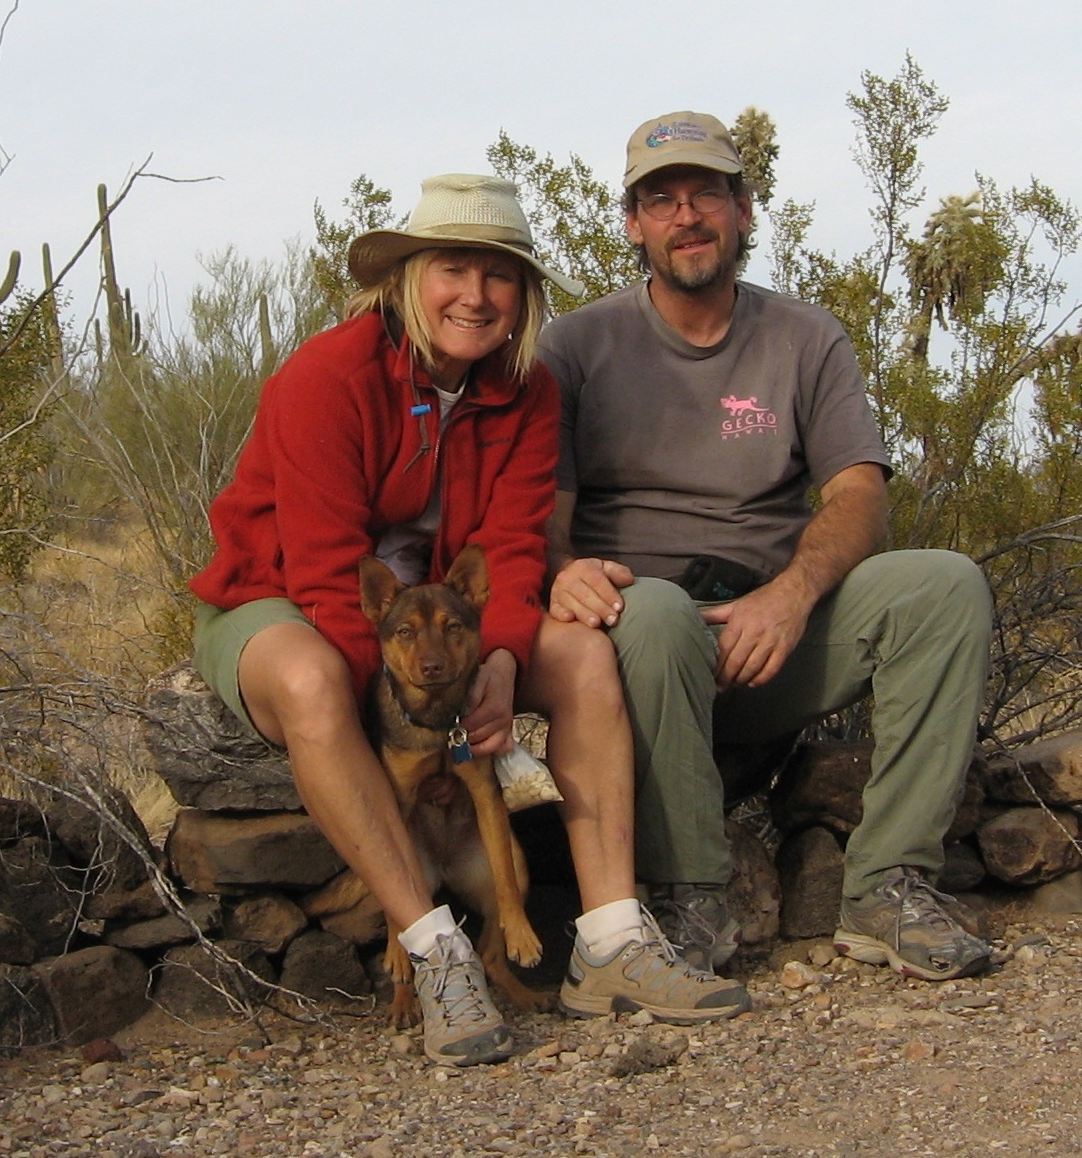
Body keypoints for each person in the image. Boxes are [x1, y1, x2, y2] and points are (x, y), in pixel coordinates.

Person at [189, 173, 750, 1068]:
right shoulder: (325, 377)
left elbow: (512, 547)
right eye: (455, 269)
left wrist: (498, 656)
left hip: (444, 628)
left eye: (500, 276)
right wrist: (426, 718)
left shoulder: (525, 392)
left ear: (522, 295)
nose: (477, 297)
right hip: (285, 597)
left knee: (586, 661)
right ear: (410, 277)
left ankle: (610, 941)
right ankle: (437, 954)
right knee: (311, 679)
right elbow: (331, 575)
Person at [533, 113, 994, 982]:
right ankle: (689, 898)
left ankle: (887, 889)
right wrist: (567, 574)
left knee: (943, 586)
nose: (687, 216)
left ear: (745, 210)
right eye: (660, 200)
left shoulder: (806, 337)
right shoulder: (576, 347)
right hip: (641, 640)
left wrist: (791, 595)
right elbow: (546, 526)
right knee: (660, 611)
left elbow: (860, 494)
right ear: (633, 223)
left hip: (771, 635)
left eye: (708, 192)